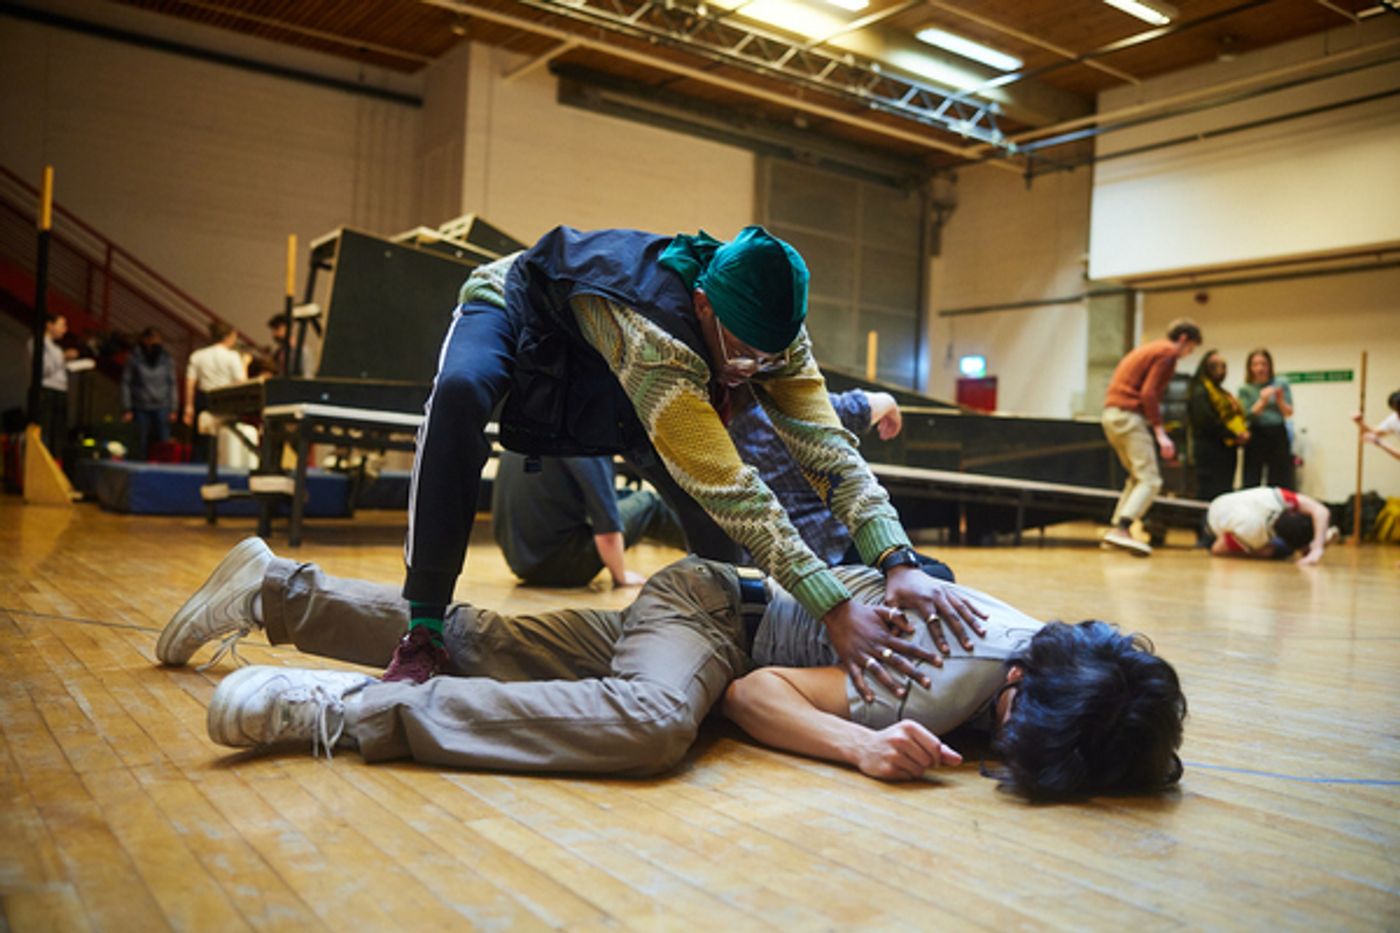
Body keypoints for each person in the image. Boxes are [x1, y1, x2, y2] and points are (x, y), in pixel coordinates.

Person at [393, 225, 983, 692]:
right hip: (520, 306)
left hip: (609, 362)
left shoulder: (776, 342)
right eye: (743, 353)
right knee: (460, 394)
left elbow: (828, 451)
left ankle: (729, 631)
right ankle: (424, 628)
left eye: (768, 358)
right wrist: (832, 607)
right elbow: (732, 487)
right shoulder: (657, 339)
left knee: (710, 525)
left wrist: (897, 557)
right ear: (703, 304)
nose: (752, 369)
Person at [156, 539, 1184, 801]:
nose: (1006, 755)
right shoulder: (952, 675)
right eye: (1019, 743)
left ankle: (274, 592)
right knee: (652, 722)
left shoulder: (1042, 649)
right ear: (1016, 696)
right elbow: (751, 696)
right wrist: (859, 743)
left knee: (482, 641)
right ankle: (351, 712)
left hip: (710, 604)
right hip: (714, 630)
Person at [491, 451, 681, 588]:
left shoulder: (534, 426)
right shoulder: (587, 440)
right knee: (648, 502)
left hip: (520, 561)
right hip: (562, 564)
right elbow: (607, 531)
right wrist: (620, 576)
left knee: (625, 496)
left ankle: (702, 547)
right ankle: (706, 550)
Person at [1100, 318, 1203, 556]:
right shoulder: (1167, 353)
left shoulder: (1149, 349)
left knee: (1136, 478)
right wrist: (1160, 432)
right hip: (1128, 416)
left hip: (1111, 414)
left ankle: (1115, 530)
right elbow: (1149, 393)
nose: (1189, 354)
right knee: (1151, 480)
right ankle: (1123, 529)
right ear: (1184, 339)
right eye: (1191, 348)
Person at [1204, 487, 1333, 566]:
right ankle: (1311, 542)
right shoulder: (1255, 534)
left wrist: (1317, 547)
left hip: (1222, 501)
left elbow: (1322, 511)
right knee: (1271, 551)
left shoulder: (1278, 499)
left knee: (1269, 548)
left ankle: (1315, 540)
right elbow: (1217, 548)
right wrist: (1254, 553)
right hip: (1211, 525)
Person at [1186, 350, 1248, 503]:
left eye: (1223, 366)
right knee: (1209, 493)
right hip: (1210, 451)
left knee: (1224, 492)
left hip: (1225, 450)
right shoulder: (1199, 391)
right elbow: (1206, 422)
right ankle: (1205, 526)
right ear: (1205, 367)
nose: (1220, 370)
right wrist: (1233, 435)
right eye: (1214, 365)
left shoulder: (1223, 392)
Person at [184, 322, 248, 464]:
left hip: (203, 397)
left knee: (201, 439)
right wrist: (245, 365)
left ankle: (197, 469)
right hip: (225, 399)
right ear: (227, 337)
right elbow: (241, 382)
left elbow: (190, 382)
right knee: (226, 437)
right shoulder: (232, 357)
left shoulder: (198, 355)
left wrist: (188, 406)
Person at [1237, 348, 1295, 490]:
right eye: (1255, 364)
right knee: (1252, 476)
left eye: (1263, 364)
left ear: (1269, 366)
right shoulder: (1245, 389)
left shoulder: (1281, 383)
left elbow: (1288, 413)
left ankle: (1279, 508)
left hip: (1278, 431)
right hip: (1256, 432)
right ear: (1250, 367)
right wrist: (1262, 400)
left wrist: (1280, 400)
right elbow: (1246, 415)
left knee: (1280, 475)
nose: (1260, 368)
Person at [121, 326, 178, 460]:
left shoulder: (166, 359)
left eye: (157, 341)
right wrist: (126, 407)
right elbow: (126, 382)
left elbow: (172, 383)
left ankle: (165, 468)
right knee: (140, 440)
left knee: (164, 440)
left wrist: (173, 408)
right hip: (141, 405)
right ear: (144, 341)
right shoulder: (134, 358)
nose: (154, 344)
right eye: (151, 341)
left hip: (162, 405)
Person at [27, 312, 76, 454]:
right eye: (62, 325)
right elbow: (42, 370)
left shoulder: (56, 348)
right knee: (45, 433)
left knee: (58, 435)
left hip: (59, 392)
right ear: (49, 325)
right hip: (45, 392)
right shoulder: (36, 343)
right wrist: (63, 356)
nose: (65, 330)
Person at [1352, 390, 1400, 462]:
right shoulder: (1394, 418)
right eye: (1396, 411)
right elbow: (1372, 433)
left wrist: (1379, 442)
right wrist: (1360, 423)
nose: (1398, 415)